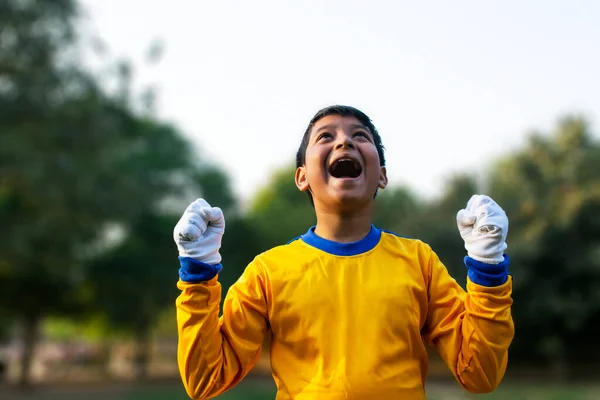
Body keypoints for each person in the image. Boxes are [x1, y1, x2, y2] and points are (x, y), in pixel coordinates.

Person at [173, 105, 514, 400]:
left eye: (360, 136)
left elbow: (480, 374)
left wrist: (488, 268)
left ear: (381, 175)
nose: (344, 141)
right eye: (325, 136)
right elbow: (205, 380)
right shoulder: (268, 271)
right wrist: (198, 273)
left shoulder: (418, 261)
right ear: (302, 176)